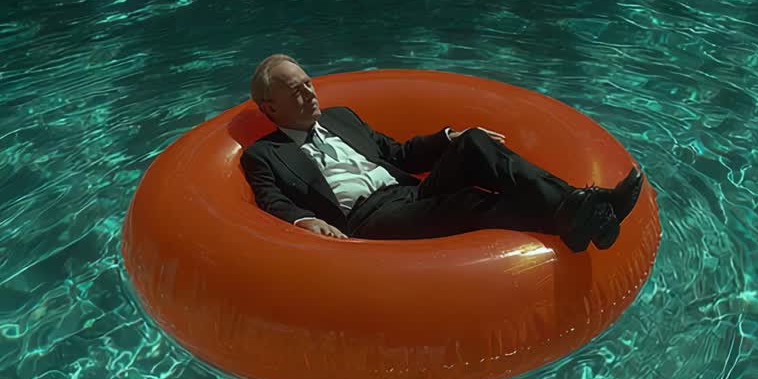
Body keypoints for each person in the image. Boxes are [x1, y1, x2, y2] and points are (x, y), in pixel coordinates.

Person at [239, 54, 643, 252]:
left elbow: (397, 152)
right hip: (368, 220)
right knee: (469, 201)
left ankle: (580, 209)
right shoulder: (265, 154)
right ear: (269, 108)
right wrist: (306, 221)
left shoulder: (341, 118)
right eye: (295, 91)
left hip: (410, 195)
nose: (309, 94)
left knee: (474, 144)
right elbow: (270, 199)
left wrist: (450, 137)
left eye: (308, 84)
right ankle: (589, 209)